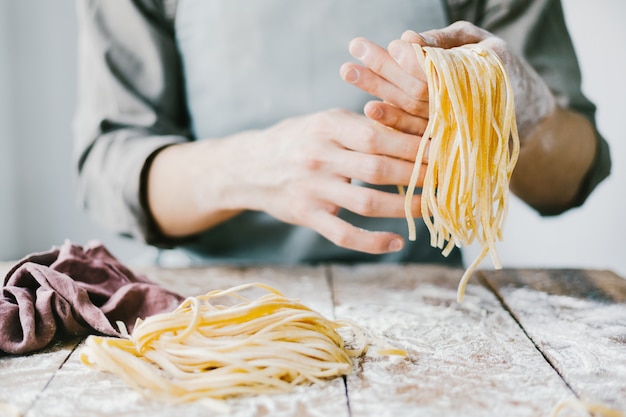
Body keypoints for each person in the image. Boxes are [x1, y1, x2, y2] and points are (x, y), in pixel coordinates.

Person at [73, 0, 610, 267]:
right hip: (209, 310)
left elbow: (570, 179)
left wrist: (511, 103)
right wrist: (252, 166)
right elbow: (110, 166)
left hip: (426, 310)